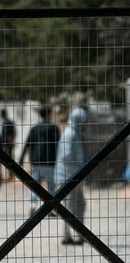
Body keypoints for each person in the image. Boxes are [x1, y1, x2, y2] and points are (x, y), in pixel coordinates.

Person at [54, 100, 87, 245]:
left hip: (71, 176)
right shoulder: (70, 134)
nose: (85, 124)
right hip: (69, 176)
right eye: (84, 120)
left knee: (78, 205)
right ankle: (69, 235)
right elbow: (66, 156)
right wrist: (79, 169)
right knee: (71, 206)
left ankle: (76, 235)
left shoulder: (73, 132)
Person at [18, 106, 60, 216]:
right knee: (51, 185)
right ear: (49, 114)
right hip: (50, 160)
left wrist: (21, 160)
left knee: (35, 185)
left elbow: (27, 144)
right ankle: (51, 208)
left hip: (36, 161)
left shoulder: (34, 129)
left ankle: (33, 204)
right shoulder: (53, 128)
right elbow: (58, 145)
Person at [0, 109, 15, 180]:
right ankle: (10, 174)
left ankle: (10, 175)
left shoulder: (6, 122)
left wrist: (10, 142)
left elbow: (8, 134)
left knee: (8, 160)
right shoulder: (8, 121)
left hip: (7, 144)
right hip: (8, 144)